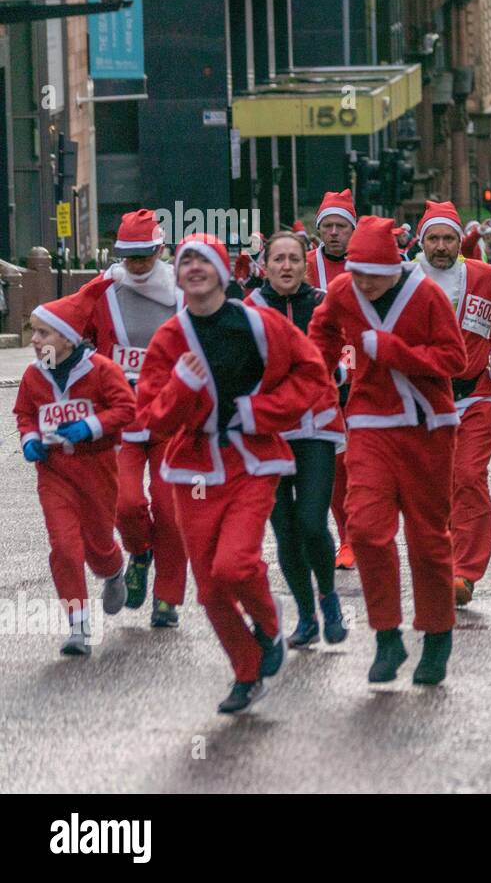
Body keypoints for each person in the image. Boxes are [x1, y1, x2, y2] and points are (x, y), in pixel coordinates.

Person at [136, 233, 336, 713]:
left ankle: (269, 623)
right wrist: (182, 388)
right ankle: (246, 672)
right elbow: (151, 416)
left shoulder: (258, 323)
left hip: (252, 461)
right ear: (179, 275)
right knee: (208, 590)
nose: (195, 268)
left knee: (234, 565)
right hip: (195, 469)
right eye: (186, 262)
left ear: (224, 271)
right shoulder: (170, 338)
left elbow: (312, 374)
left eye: (205, 260)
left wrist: (258, 412)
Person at [309, 216, 468, 686]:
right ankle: (386, 635)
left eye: (372, 275)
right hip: (370, 425)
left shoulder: (427, 296)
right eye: (356, 273)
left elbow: (454, 360)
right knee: (366, 529)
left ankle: (437, 635)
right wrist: (323, 377)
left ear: (394, 267)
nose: (363, 284)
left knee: (427, 536)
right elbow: (321, 335)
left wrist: (392, 350)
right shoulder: (343, 292)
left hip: (427, 428)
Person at [79, 209, 187, 628]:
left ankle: (169, 599)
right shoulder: (102, 289)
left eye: (144, 255)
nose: (137, 264)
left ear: (160, 250)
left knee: (172, 512)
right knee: (125, 505)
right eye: (129, 256)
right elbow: (58, 327)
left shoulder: (182, 290)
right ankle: (140, 554)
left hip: (172, 419)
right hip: (120, 418)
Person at [16, 279, 136, 656]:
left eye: (43, 333)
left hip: (97, 468)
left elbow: (127, 408)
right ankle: (78, 626)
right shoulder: (35, 375)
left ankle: (114, 569)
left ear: (68, 338)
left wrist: (91, 425)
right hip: (54, 473)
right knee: (65, 547)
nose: (35, 340)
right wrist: (29, 438)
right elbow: (24, 414)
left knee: (98, 545)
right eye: (34, 332)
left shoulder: (101, 369)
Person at [245, 232, 348, 647]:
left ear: (305, 265)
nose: (286, 267)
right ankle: (305, 615)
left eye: (293, 259)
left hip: (315, 425)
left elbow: (346, 350)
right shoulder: (249, 309)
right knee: (284, 531)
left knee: (310, 521)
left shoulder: (324, 303)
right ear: (265, 266)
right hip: (267, 431)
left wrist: (339, 376)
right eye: (278, 260)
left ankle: (329, 598)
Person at [412, 201, 491, 606]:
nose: (441, 246)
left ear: (460, 241)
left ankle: (466, 571)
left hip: (474, 395)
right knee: (434, 487)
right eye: (433, 238)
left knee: (469, 476)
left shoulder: (485, 276)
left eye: (448, 238)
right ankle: (442, 560)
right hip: (423, 401)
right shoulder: (407, 280)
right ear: (422, 242)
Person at [306, 189, 359, 570]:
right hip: (321, 379)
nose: (335, 233)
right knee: (335, 464)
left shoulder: (370, 263)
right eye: (328, 227)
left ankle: (357, 536)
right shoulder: (304, 264)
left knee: (361, 462)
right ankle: (345, 539)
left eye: (342, 226)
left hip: (366, 379)